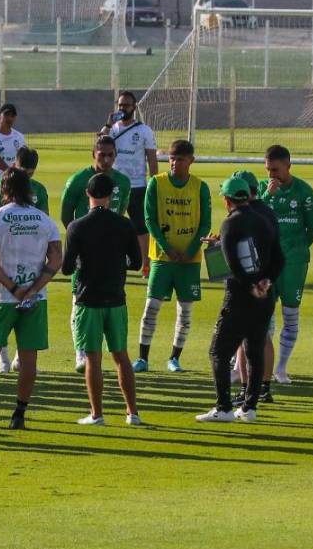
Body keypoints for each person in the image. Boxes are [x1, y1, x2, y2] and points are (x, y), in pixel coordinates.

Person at [0, 168, 62, 430]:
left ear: (3, 190)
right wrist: (33, 288)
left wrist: (13, 287)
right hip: (36, 298)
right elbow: (56, 258)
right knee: (29, 358)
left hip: (3, 297)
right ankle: (18, 416)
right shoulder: (45, 221)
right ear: (29, 189)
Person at [197, 175, 284, 423]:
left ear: (226, 200)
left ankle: (223, 407)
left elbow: (234, 264)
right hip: (264, 297)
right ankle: (249, 408)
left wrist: (250, 285)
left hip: (238, 298)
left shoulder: (230, 224)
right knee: (254, 350)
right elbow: (279, 257)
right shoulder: (265, 219)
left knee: (218, 352)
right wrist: (266, 281)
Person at [63, 173, 142, 426]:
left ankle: (97, 414)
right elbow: (137, 262)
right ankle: (132, 413)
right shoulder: (124, 224)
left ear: (88, 194)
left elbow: (66, 267)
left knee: (93, 359)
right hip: (116, 298)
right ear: (110, 196)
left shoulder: (77, 226)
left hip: (88, 298)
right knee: (121, 356)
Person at [134, 139, 211, 374]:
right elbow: (149, 220)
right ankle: (142, 358)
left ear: (191, 161)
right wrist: (166, 247)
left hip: (190, 261)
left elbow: (205, 223)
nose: (175, 163)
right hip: (161, 258)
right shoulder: (156, 184)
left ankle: (174, 358)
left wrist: (189, 251)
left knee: (185, 312)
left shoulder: (200, 187)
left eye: (181, 159)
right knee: (151, 308)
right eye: (172, 158)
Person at [60, 136, 130, 372]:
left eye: (111, 154)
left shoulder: (123, 181)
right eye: (102, 154)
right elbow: (66, 214)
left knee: (112, 299)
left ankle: (108, 352)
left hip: (110, 249)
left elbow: (120, 213)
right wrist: (78, 241)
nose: (107, 159)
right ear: (94, 154)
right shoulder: (78, 181)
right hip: (84, 246)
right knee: (78, 296)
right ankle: (81, 352)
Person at [258, 145, 313, 387]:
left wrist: (297, 249)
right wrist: (267, 196)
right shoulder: (264, 190)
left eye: (275, 170)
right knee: (263, 315)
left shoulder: (304, 192)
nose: (271, 175)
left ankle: (281, 368)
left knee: (291, 314)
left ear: (288, 166)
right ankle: (261, 366)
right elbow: (253, 216)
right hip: (266, 263)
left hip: (294, 262)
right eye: (268, 170)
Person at [0, 146, 49, 375]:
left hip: (30, 256)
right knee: (2, 304)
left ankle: (18, 359)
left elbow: (45, 222)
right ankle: (2, 360)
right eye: (24, 171)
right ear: (15, 164)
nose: (28, 177)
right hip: (5, 255)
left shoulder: (39, 190)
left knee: (28, 310)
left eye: (31, 172)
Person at [104, 90, 159, 273]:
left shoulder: (144, 130)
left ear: (134, 107)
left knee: (141, 227)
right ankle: (112, 261)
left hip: (137, 185)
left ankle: (145, 264)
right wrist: (107, 124)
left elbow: (152, 158)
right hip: (115, 185)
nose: (123, 108)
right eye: (120, 105)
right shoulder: (112, 129)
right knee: (111, 224)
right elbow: (99, 146)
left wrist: (154, 182)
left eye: (126, 105)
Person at [0, 103, 27, 169]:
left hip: (13, 177)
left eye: (12, 116)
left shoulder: (20, 137)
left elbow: (23, 159)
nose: (9, 118)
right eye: (6, 115)